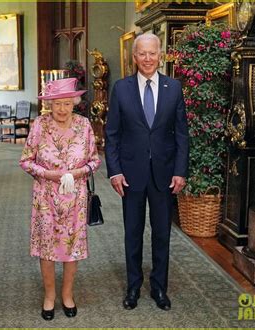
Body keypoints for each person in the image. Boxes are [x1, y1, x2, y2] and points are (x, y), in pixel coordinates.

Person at [104, 33, 189, 311]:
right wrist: (114, 171)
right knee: (133, 234)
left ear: (160, 55)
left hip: (165, 175)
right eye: (143, 54)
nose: (148, 59)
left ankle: (159, 289)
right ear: (134, 57)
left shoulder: (174, 88)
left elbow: (181, 135)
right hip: (131, 174)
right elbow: (112, 133)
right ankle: (132, 287)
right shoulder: (121, 88)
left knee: (162, 234)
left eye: (153, 53)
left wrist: (180, 171)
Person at [19, 78, 101, 321]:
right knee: (47, 247)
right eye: (57, 104)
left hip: (75, 197)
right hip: (45, 197)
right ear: (49, 105)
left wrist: (77, 173)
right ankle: (49, 295)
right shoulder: (39, 125)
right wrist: (48, 174)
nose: (63, 109)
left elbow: (95, 161)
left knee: (72, 246)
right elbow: (25, 160)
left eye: (67, 103)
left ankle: (67, 294)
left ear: (74, 103)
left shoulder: (84, 125)